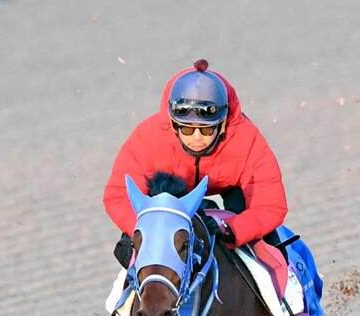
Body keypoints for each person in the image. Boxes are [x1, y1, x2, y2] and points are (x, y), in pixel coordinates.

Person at [103, 59, 288, 268]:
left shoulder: (247, 137)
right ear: (173, 124)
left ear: (223, 123)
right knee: (126, 251)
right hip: (167, 194)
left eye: (208, 129)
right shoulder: (146, 138)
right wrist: (148, 229)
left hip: (234, 193)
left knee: (271, 252)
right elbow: (118, 195)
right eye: (187, 129)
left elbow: (270, 205)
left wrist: (231, 228)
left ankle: (288, 295)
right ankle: (123, 298)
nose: (197, 138)